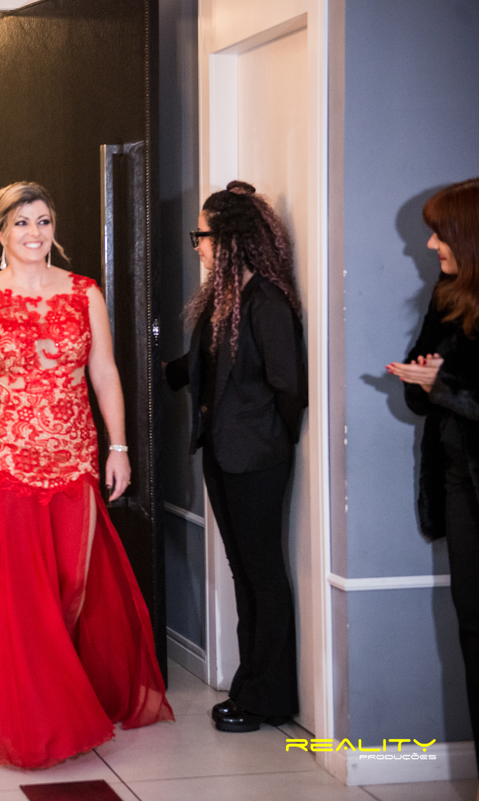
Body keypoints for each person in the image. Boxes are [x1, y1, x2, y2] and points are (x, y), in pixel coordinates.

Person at [0, 182, 173, 769]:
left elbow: (105, 371)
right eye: (21, 223)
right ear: (1, 232)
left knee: (70, 582)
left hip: (74, 457)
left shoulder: (85, 292)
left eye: (42, 221)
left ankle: (57, 684)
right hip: (8, 460)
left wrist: (119, 447)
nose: (33, 233)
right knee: (24, 593)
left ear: (53, 227)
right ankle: (42, 715)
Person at [164, 180, 307, 733]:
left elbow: (289, 387)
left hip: (257, 457)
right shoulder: (226, 300)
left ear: (228, 241)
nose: (197, 245)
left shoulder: (267, 302)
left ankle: (267, 697)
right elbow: (204, 363)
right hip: (224, 454)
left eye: (201, 235)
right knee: (243, 571)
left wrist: (272, 438)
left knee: (262, 573)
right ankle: (251, 686)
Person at [388, 177, 479, 789]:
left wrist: (442, 386)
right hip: (458, 482)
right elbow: (423, 396)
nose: (428, 244)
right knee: (472, 631)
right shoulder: (448, 295)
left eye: (439, 234)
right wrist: (424, 382)